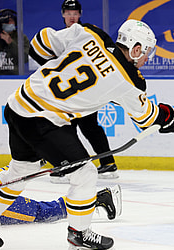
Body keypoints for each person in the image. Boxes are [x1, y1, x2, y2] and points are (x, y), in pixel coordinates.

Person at [0, 19, 174, 250]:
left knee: (21, 170)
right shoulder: (130, 80)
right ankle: (78, 235)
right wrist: (166, 115)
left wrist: (61, 70)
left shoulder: (90, 33)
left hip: (18, 103)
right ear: (136, 47)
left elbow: (40, 44)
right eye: (146, 52)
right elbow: (145, 118)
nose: (146, 59)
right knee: (85, 173)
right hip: (42, 121)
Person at [50, 0, 118, 181]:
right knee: (71, 128)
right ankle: (76, 164)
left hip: (86, 90)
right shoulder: (58, 37)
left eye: (75, 13)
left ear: (80, 14)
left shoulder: (88, 35)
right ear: (63, 14)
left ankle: (106, 163)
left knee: (87, 128)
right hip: (67, 93)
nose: (72, 16)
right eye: (68, 12)